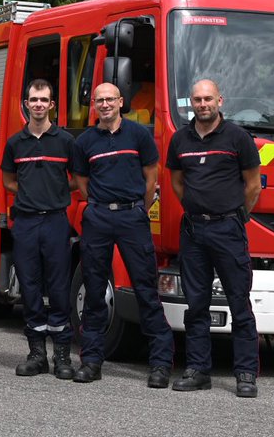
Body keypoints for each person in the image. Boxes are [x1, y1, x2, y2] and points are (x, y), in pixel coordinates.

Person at [71, 82, 173, 385]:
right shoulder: (85, 141)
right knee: (94, 290)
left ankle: (160, 364)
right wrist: (100, 205)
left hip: (132, 217)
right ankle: (91, 362)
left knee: (145, 290)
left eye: (109, 99)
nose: (104, 105)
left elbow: (151, 178)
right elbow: (82, 181)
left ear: (121, 102)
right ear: (94, 104)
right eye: (99, 100)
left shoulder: (138, 135)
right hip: (99, 217)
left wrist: (136, 209)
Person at [167, 79, 262, 398]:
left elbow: (253, 186)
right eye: (197, 99)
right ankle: (197, 370)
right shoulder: (180, 139)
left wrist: (235, 216)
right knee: (196, 305)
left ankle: (246, 373)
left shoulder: (238, 137)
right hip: (194, 231)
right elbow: (177, 182)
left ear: (220, 100)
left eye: (208, 98)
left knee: (240, 303)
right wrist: (198, 209)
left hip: (228, 230)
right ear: (190, 103)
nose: (203, 104)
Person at [2, 79, 76, 380]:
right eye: (33, 100)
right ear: (26, 104)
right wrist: (28, 194)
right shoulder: (15, 143)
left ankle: (61, 357)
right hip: (27, 222)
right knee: (30, 287)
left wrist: (57, 190)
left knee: (58, 287)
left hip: (56, 220)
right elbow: (7, 180)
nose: (38, 105)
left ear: (52, 104)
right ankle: (36, 355)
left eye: (44, 100)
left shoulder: (65, 141)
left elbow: (78, 178)